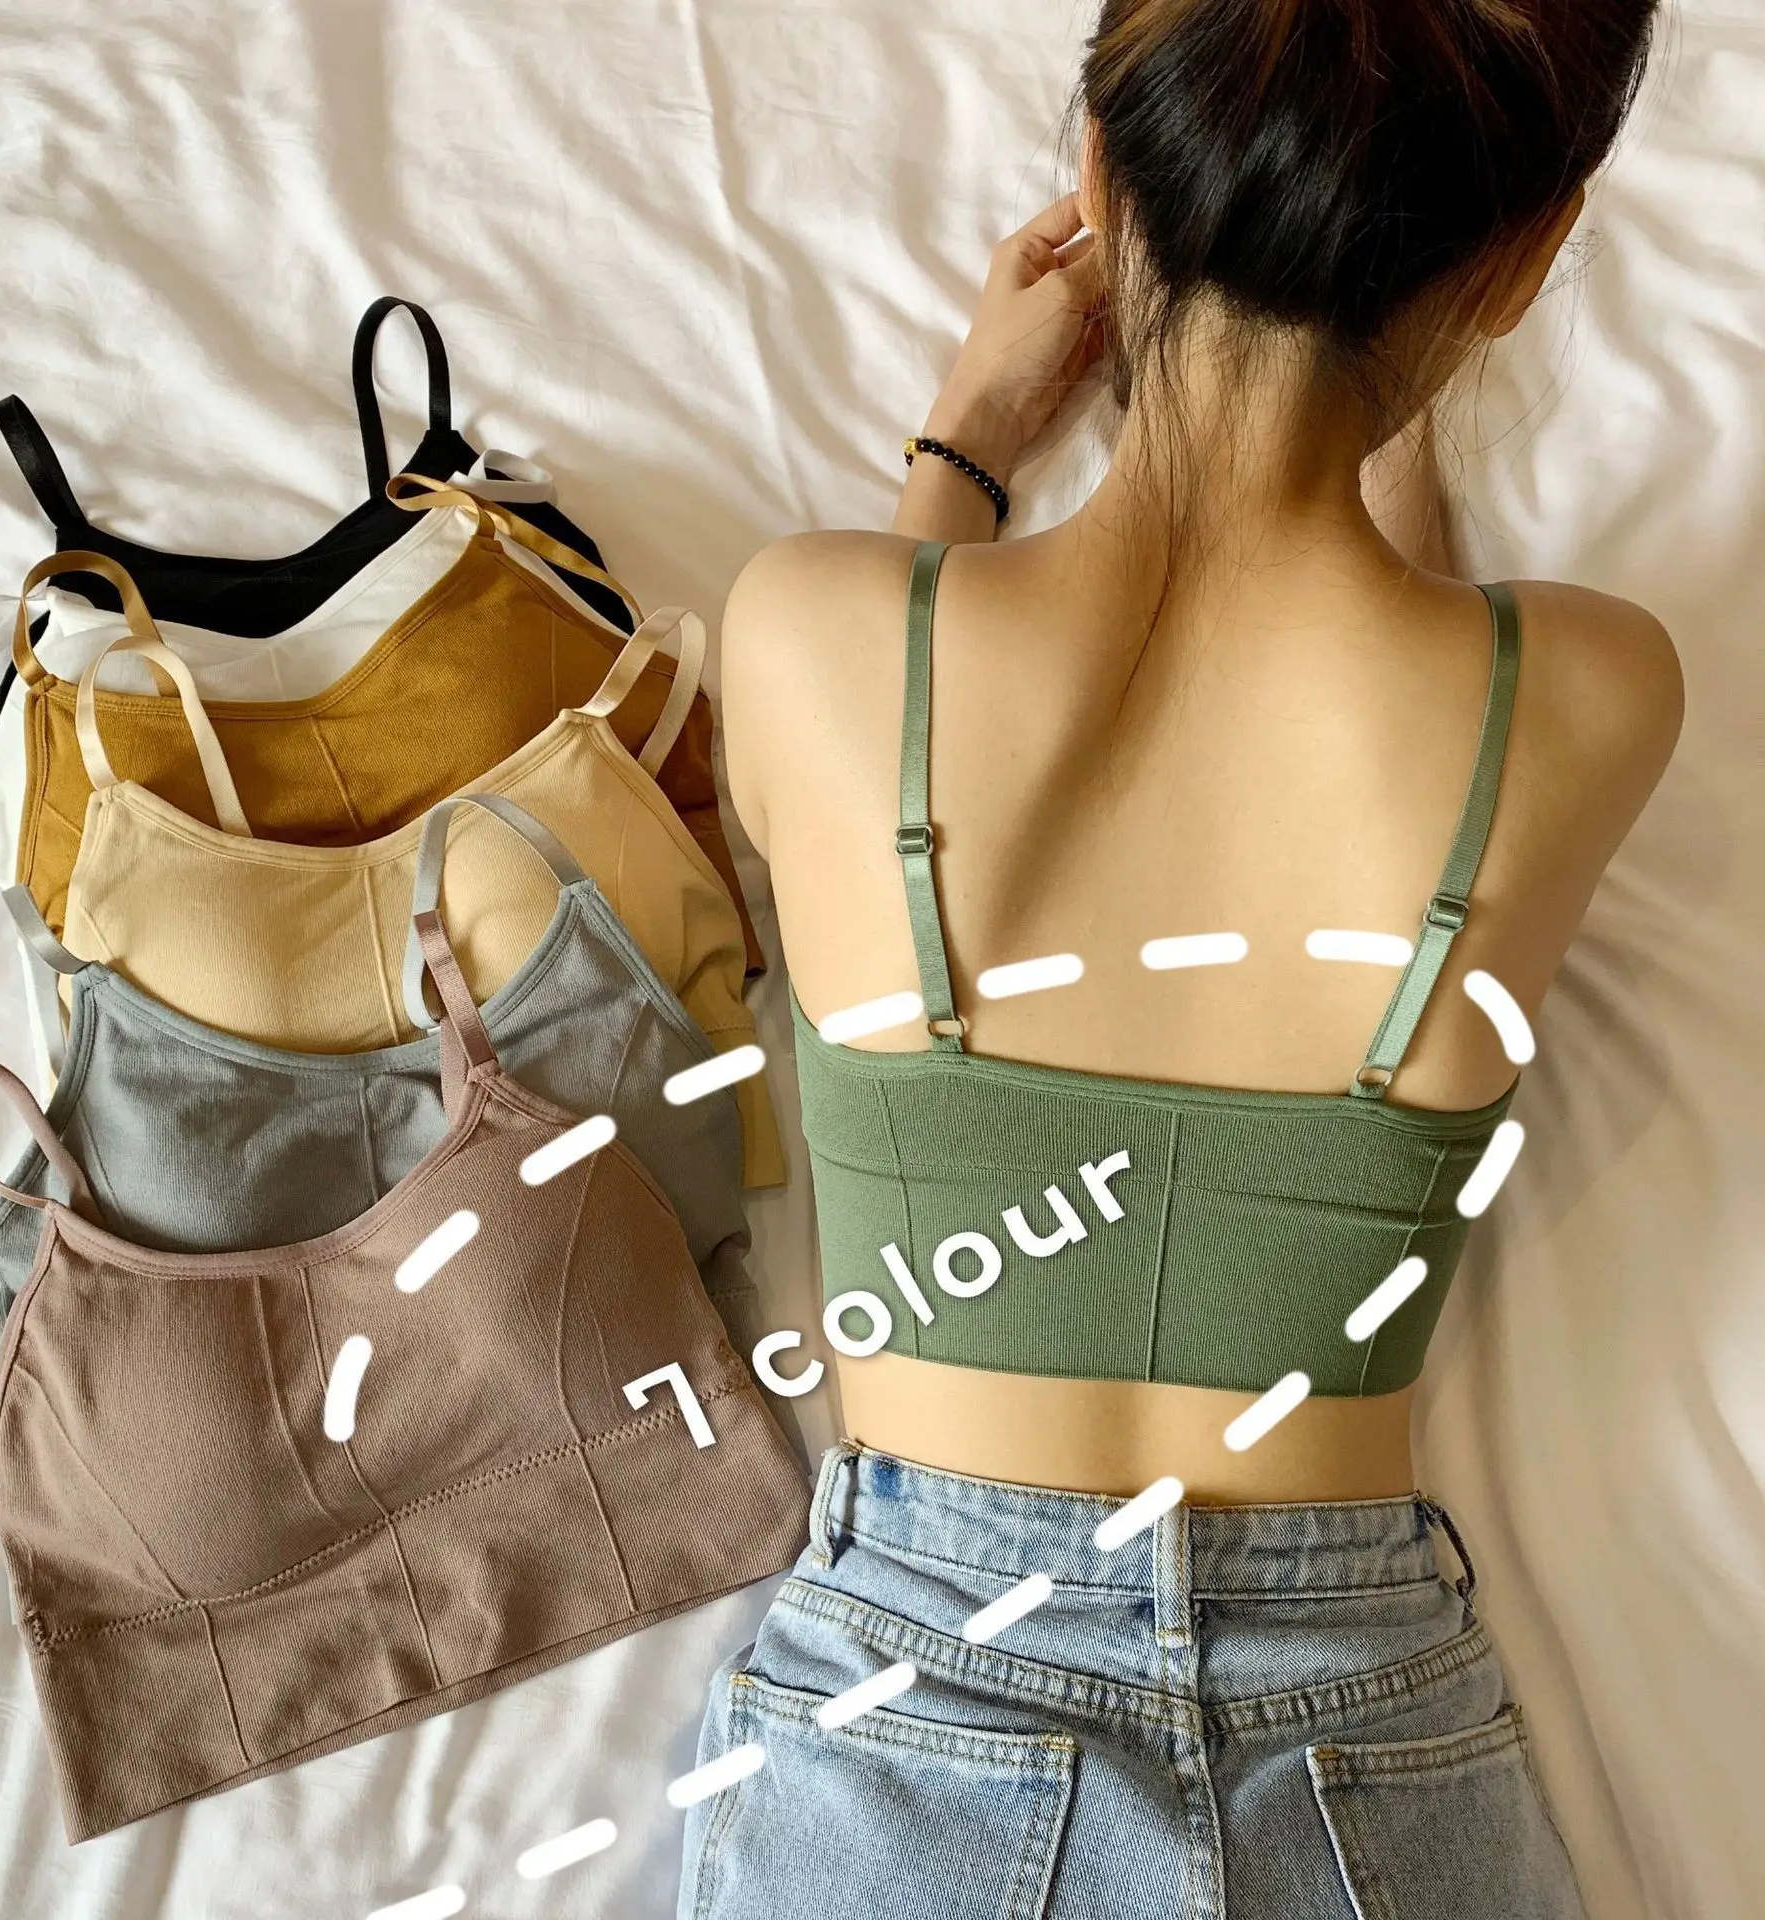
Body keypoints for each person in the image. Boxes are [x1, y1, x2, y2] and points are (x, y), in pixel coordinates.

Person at [681, 0, 1678, 1911]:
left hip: (918, 1697)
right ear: (1526, 260)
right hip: (1365, 1728)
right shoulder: (1585, 695)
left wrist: (970, 438)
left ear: (1096, 169)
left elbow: (861, 782)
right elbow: (1378, 657)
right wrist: (1375, 376)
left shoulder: (813, 636)